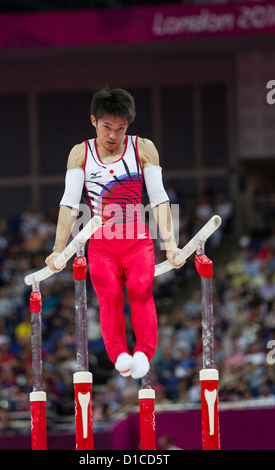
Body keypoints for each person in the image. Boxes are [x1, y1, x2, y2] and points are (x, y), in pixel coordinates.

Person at [45, 87, 184, 379]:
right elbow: (70, 204)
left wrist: (170, 244)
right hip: (101, 244)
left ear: (128, 125)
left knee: (139, 289)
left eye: (120, 128)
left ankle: (144, 351)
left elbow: (159, 199)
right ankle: (119, 352)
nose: (112, 135)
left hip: (137, 241)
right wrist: (59, 249)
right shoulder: (81, 153)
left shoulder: (143, 147)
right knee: (108, 295)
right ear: (93, 121)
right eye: (107, 127)